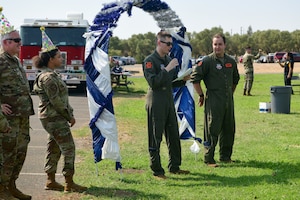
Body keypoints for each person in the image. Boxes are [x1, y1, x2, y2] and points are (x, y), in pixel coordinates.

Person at [32, 27, 87, 193]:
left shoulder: (51, 74)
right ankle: (69, 183)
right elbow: (56, 101)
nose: (61, 58)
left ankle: (50, 181)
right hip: (54, 117)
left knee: (54, 147)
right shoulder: (48, 77)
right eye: (58, 57)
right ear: (50, 60)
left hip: (52, 117)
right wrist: (69, 116)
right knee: (69, 148)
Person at [142, 30, 190, 179]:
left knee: (173, 135)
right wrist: (168, 68)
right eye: (168, 43)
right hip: (156, 101)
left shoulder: (168, 59)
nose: (170, 46)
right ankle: (157, 169)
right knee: (155, 136)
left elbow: (171, 82)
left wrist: (183, 79)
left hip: (168, 100)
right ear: (159, 42)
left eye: (171, 44)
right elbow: (154, 82)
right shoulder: (150, 61)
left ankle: (174, 166)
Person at [0, 7, 35, 200]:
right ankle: (2, 190)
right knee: (7, 155)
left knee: (20, 153)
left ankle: (11, 186)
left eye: (20, 40)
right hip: (8, 120)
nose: (20, 44)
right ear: (6, 43)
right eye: (17, 41)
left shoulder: (15, 62)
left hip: (21, 118)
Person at [190, 33, 240, 167]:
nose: (217, 47)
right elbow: (195, 79)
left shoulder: (231, 61)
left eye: (220, 44)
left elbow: (235, 80)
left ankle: (225, 156)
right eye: (215, 44)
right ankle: (209, 158)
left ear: (225, 45)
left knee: (229, 129)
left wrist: (230, 93)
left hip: (228, 101)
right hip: (213, 101)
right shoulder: (206, 61)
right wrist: (201, 95)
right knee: (212, 129)